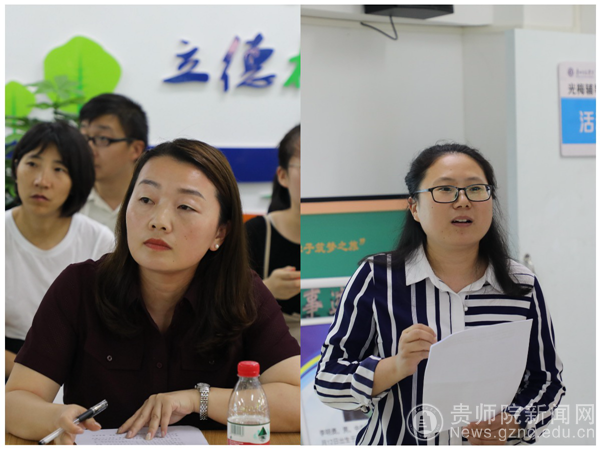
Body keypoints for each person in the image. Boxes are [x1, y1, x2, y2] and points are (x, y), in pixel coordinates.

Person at [6, 139, 300, 444]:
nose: (159, 221)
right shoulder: (79, 287)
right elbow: (14, 401)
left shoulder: (243, 293)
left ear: (220, 232)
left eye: (185, 207)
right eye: (146, 199)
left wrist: (196, 399)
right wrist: (53, 418)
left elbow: (297, 401)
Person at [314, 144, 565, 445]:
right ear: (414, 207)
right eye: (445, 189)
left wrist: (513, 423)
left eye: (476, 189)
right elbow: (328, 380)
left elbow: (547, 382)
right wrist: (395, 366)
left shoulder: (520, 284)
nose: (463, 201)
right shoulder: (377, 278)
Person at [5, 121, 115, 379]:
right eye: (32, 164)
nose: (41, 181)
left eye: (59, 169)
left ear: (77, 180)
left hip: (78, 369)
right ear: (16, 167)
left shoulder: (99, 241)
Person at [245, 125, 301, 343]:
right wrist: (266, 289)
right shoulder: (256, 233)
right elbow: (222, 307)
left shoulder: (352, 235)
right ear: (283, 176)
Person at [78, 93, 148, 232]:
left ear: (135, 149)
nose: (89, 149)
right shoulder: (68, 200)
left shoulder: (153, 203)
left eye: (102, 138)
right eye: (84, 137)